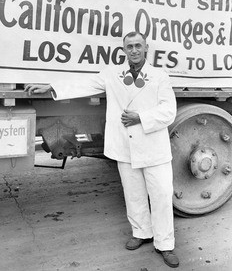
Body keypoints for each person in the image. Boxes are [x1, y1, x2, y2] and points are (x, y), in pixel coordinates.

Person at [25, 31, 179, 268]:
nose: (134, 50)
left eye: (138, 46)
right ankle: (141, 233)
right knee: (133, 193)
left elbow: (169, 110)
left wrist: (141, 117)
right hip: (125, 146)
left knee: (161, 195)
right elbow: (83, 84)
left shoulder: (160, 76)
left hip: (152, 147)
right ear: (124, 50)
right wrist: (50, 86)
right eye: (129, 47)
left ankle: (165, 244)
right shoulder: (112, 74)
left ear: (146, 48)